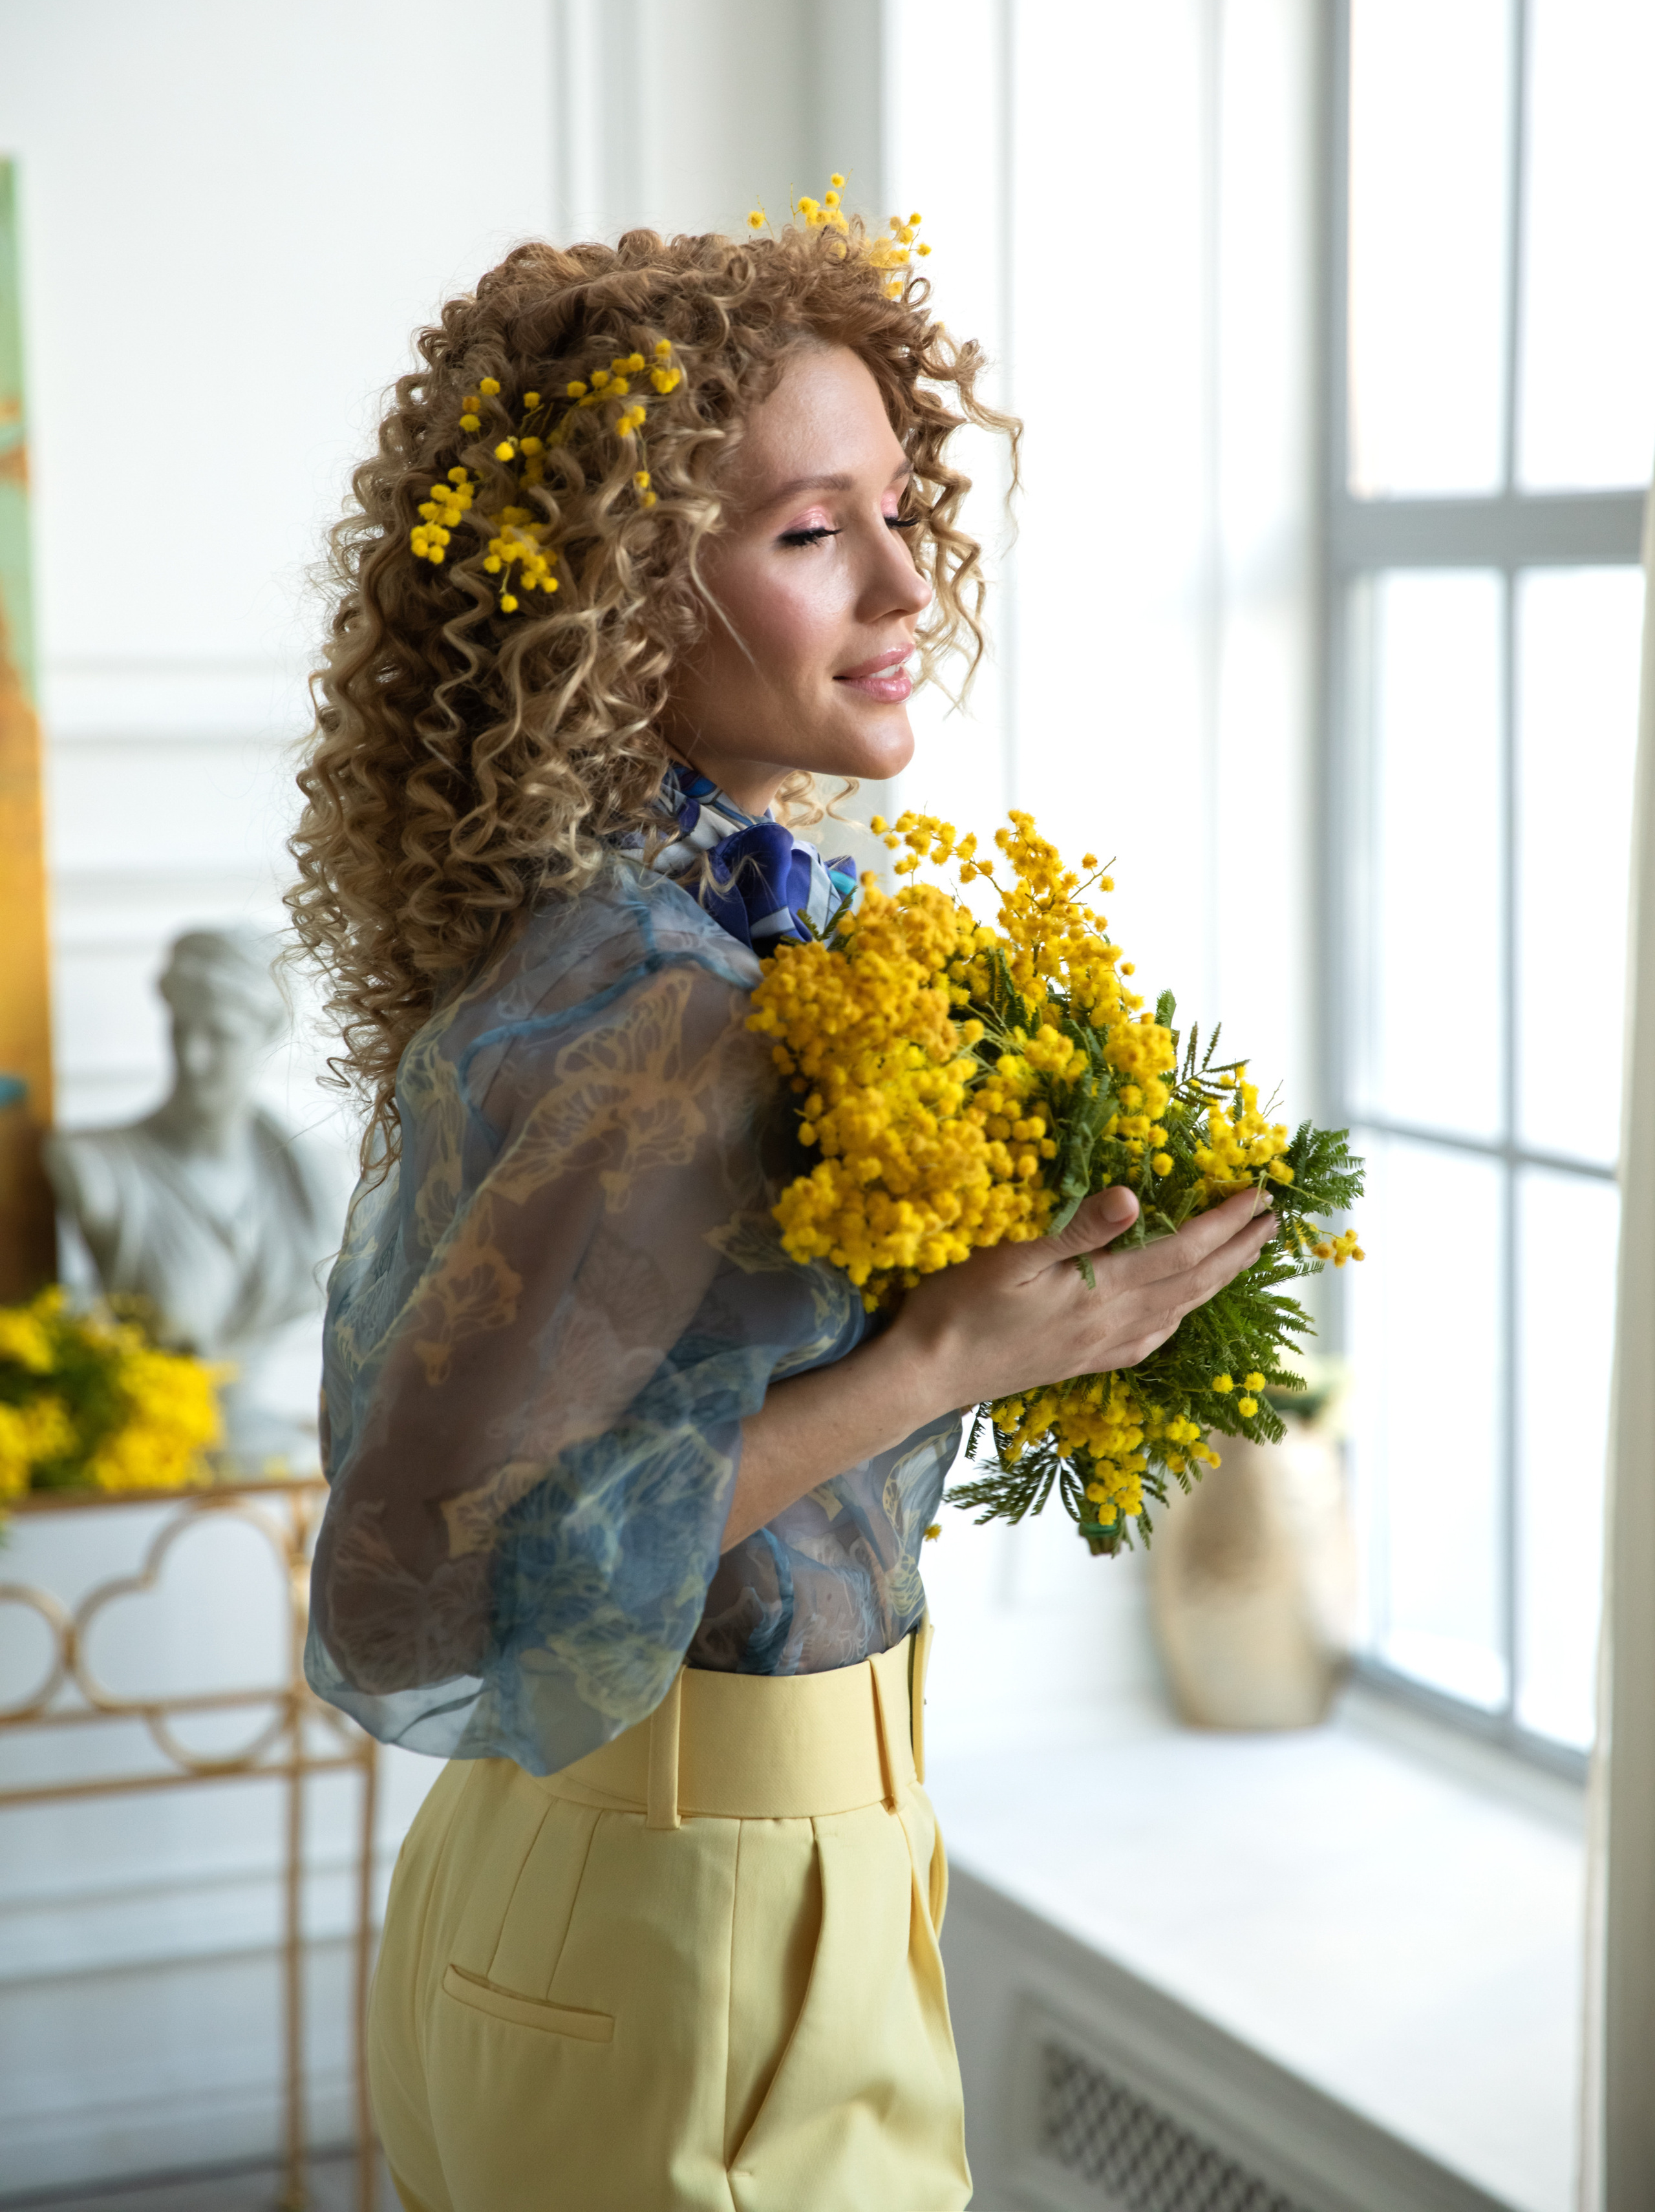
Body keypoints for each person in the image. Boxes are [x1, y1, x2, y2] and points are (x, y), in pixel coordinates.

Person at [289, 197, 1276, 2212]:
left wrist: (1045, 1321)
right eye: (812, 531)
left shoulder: (675, 943)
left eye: (895, 507)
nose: (908, 581)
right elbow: (403, 1590)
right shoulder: (671, 1018)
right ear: (619, 602)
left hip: (652, 1883)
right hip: (698, 1929)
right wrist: (945, 1358)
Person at [43, 926, 333, 1460]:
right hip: (144, 1455)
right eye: (179, 1031)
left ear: (266, 1036)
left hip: (261, 1453)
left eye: (219, 1036)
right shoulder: (97, 1168)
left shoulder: (309, 1181)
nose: (192, 1058)